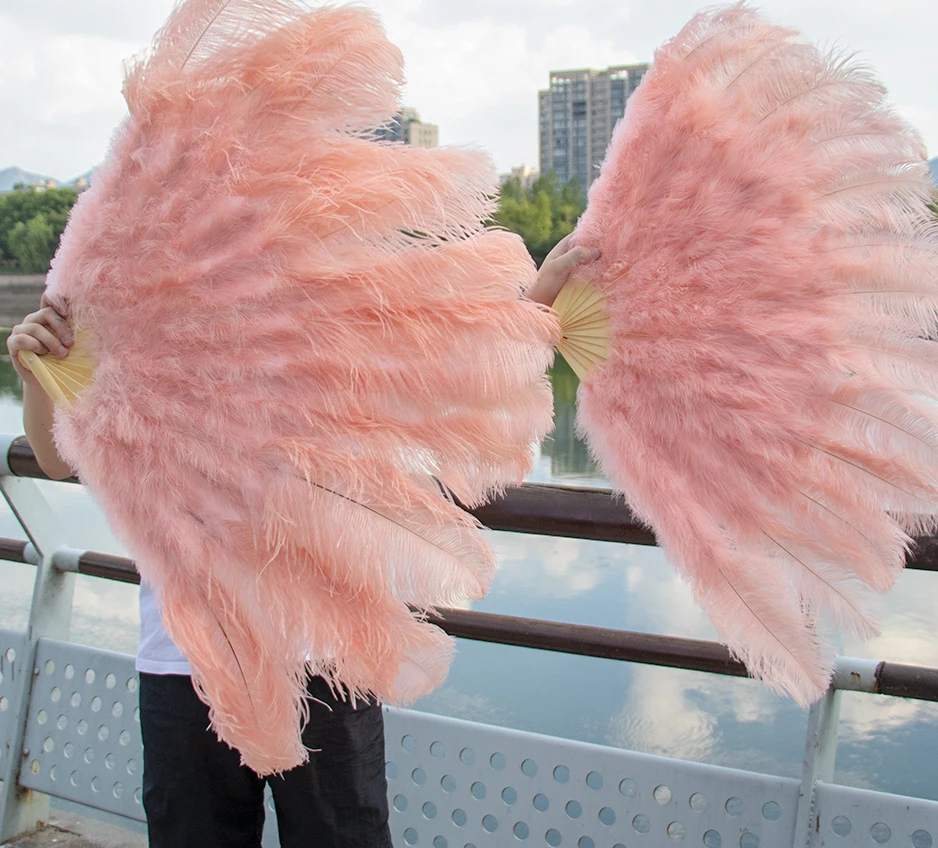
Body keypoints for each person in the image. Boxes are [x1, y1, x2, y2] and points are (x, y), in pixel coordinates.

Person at [5, 236, 594, 848]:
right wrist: (37, 375)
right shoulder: (141, 345)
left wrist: (543, 291)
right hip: (188, 664)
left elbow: (461, 370)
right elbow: (55, 457)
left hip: (327, 659)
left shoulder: (333, 336)